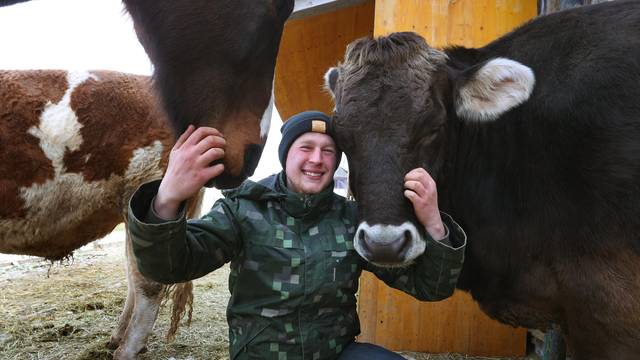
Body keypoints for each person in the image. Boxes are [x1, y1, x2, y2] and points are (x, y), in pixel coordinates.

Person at [128, 111, 466, 360]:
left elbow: (430, 287)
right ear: (286, 154)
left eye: (328, 151)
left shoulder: (349, 219)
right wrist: (168, 199)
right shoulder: (244, 209)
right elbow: (168, 267)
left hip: (336, 354)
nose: (317, 159)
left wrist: (435, 224)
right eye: (305, 147)